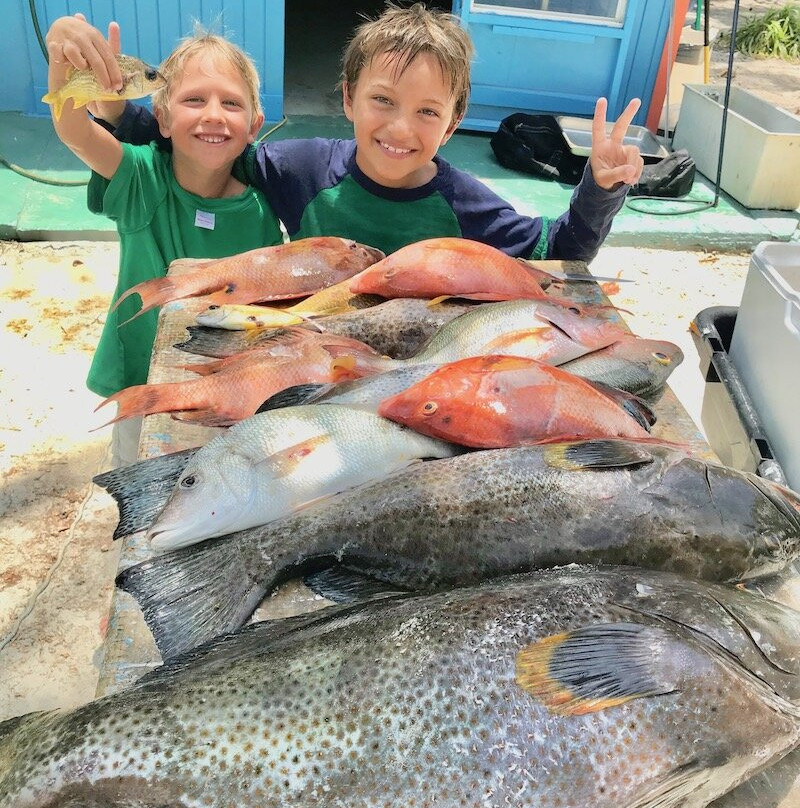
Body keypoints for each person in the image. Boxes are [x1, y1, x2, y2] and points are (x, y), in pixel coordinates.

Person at [51, 4, 643, 263]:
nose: (400, 128)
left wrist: (600, 186)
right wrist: (108, 97)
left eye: (428, 112)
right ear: (347, 100)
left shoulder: (464, 203)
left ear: (454, 122)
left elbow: (559, 254)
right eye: (382, 101)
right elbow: (203, 147)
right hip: (314, 373)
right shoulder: (304, 169)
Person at [45, 16, 283, 466]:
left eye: (230, 103)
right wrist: (63, 48)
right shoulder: (140, 177)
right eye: (194, 99)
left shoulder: (262, 210)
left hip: (227, 390)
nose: (213, 114)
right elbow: (74, 130)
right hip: (142, 384)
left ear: (254, 126)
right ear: (163, 118)